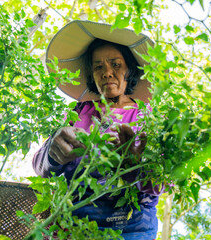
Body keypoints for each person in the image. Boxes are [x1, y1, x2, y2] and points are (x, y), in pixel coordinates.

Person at [32, 20, 163, 240]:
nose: (107, 72)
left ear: (130, 70)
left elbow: (161, 182)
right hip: (71, 223)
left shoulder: (149, 117)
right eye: (98, 66)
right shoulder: (78, 112)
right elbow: (40, 167)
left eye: (116, 64)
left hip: (129, 227)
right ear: (91, 75)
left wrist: (135, 167)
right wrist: (53, 154)